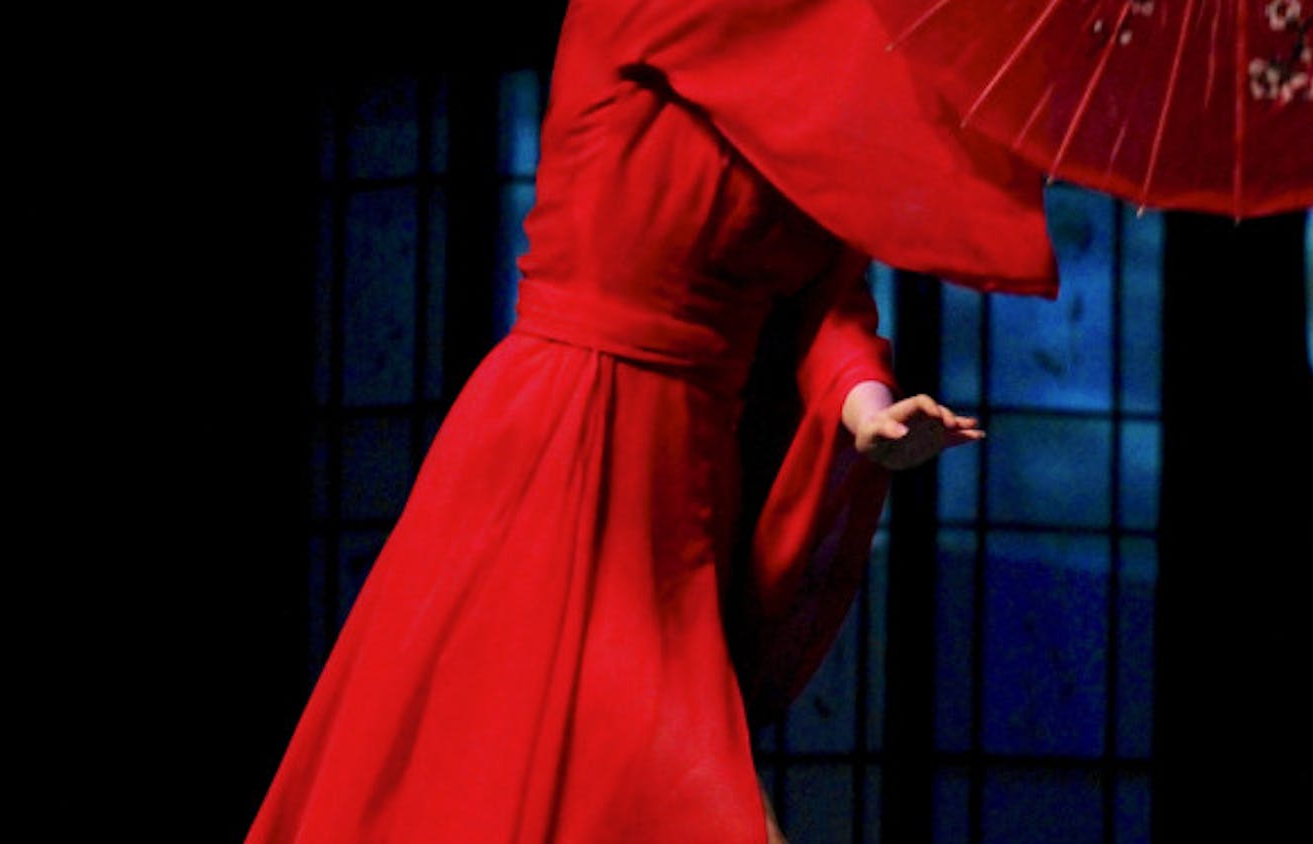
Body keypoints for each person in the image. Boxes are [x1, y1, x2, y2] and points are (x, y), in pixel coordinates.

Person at [247, 0, 1058, 841]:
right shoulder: (637, 17)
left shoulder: (826, 97)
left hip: (683, 499)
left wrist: (870, 412)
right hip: (558, 447)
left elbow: (829, 307)